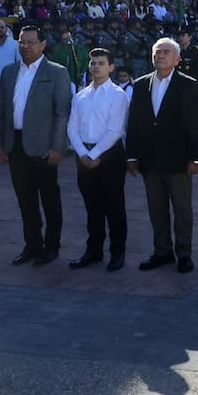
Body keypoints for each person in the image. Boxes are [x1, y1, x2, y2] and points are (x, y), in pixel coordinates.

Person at [0, 26, 74, 267]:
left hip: (43, 146)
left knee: (49, 198)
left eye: (30, 42)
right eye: (21, 42)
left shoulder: (56, 72)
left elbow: (62, 113)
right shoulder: (8, 72)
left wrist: (58, 147)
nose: (24, 47)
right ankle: (32, 244)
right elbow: (0, 110)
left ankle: (51, 247)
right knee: (25, 199)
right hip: (15, 144)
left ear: (41, 45)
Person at [126, 38, 198, 273]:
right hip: (150, 160)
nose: (161, 55)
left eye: (166, 52)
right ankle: (162, 251)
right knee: (156, 209)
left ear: (177, 59)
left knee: (182, 210)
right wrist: (132, 156)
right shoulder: (140, 85)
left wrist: (195, 157)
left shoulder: (188, 85)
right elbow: (135, 122)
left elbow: (196, 124)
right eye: (157, 52)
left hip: (178, 159)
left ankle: (184, 253)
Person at [66, 48, 130, 272]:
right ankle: (93, 250)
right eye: (93, 63)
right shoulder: (81, 95)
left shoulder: (117, 94)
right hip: (84, 155)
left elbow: (115, 130)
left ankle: (117, 252)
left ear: (111, 67)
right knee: (92, 207)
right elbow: (71, 126)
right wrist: (83, 153)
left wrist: (94, 155)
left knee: (114, 206)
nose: (96, 67)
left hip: (109, 155)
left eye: (101, 63)